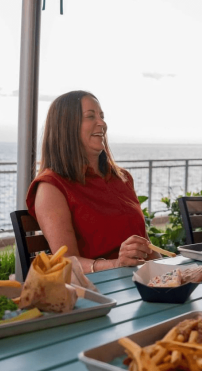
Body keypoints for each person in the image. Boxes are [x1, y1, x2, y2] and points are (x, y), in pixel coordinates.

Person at [26, 91, 159, 273]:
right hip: (95, 286)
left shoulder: (123, 178)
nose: (102, 123)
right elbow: (66, 261)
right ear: (67, 127)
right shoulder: (51, 186)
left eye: (102, 116)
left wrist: (170, 273)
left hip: (139, 281)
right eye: (90, 116)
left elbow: (146, 247)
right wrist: (117, 264)